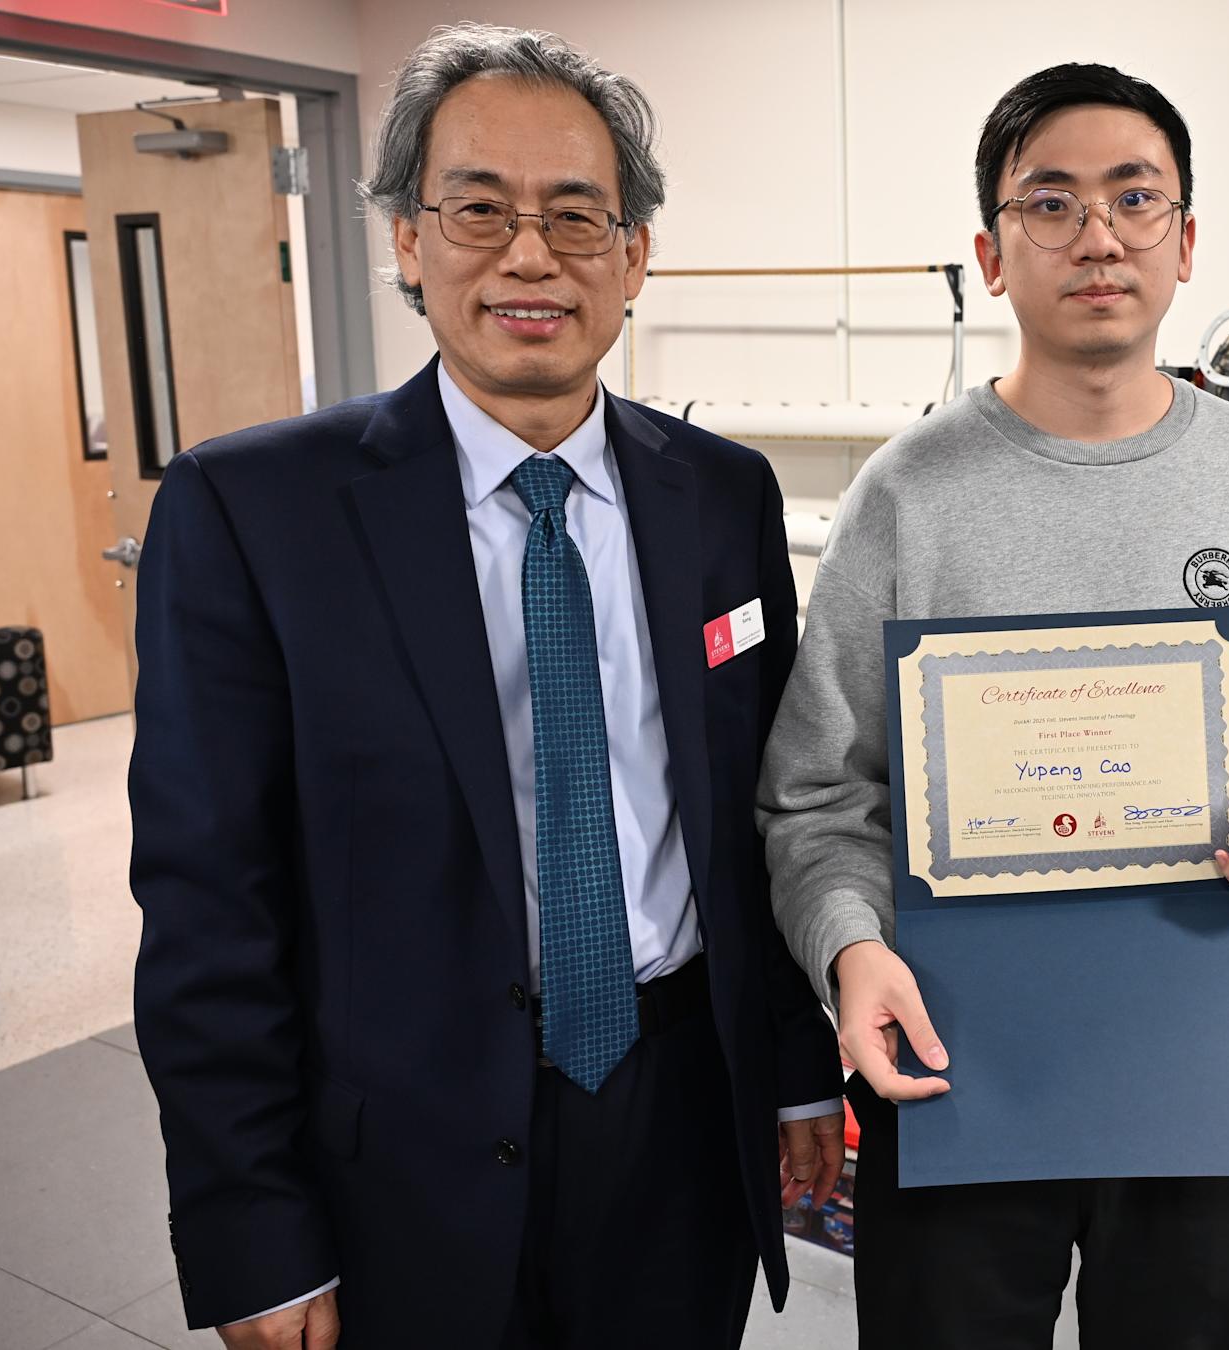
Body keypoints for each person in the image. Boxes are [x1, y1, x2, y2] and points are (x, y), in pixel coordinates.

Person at [128, 24, 839, 1349]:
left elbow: (764, 815)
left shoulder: (723, 496)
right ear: (407, 237)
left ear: (634, 258)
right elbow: (206, 901)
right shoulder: (252, 511)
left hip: (679, 1110)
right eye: (478, 209)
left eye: (579, 218)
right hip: (396, 1149)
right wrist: (252, 1231)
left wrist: (797, 1076)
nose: (530, 256)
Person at [758, 63, 1229, 1350]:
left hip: (1193, 1059)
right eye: (1051, 202)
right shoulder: (906, 496)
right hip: (958, 1059)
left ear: (1186, 240)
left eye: (1135, 198)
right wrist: (851, 948)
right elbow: (818, 791)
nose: (1098, 235)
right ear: (992, 253)